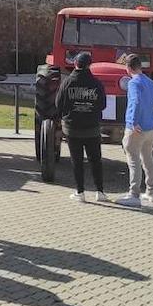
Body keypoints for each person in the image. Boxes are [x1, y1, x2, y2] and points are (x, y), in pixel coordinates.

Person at [116, 54, 153, 208]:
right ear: (140, 66)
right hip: (150, 128)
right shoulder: (151, 83)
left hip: (136, 128)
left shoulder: (133, 83)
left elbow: (135, 101)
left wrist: (133, 121)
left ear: (128, 67)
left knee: (133, 160)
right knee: (147, 158)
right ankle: (151, 192)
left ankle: (134, 194)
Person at [55, 51, 107, 202]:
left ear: (75, 63)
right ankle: (100, 192)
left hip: (73, 129)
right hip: (92, 128)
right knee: (96, 160)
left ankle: (80, 192)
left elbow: (58, 104)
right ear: (90, 65)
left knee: (77, 161)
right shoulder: (97, 84)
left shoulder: (67, 82)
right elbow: (102, 104)